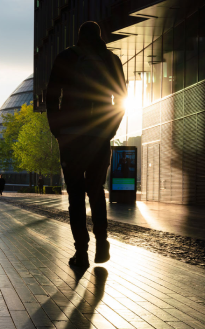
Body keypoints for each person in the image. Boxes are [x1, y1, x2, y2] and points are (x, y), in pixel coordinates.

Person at [47, 21, 126, 268]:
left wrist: (58, 129)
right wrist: (110, 130)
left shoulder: (66, 57)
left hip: (71, 136)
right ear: (100, 37)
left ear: (79, 37)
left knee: (76, 195)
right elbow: (121, 97)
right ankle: (102, 241)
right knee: (96, 189)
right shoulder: (112, 60)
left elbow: (52, 95)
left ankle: (81, 252)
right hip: (99, 137)